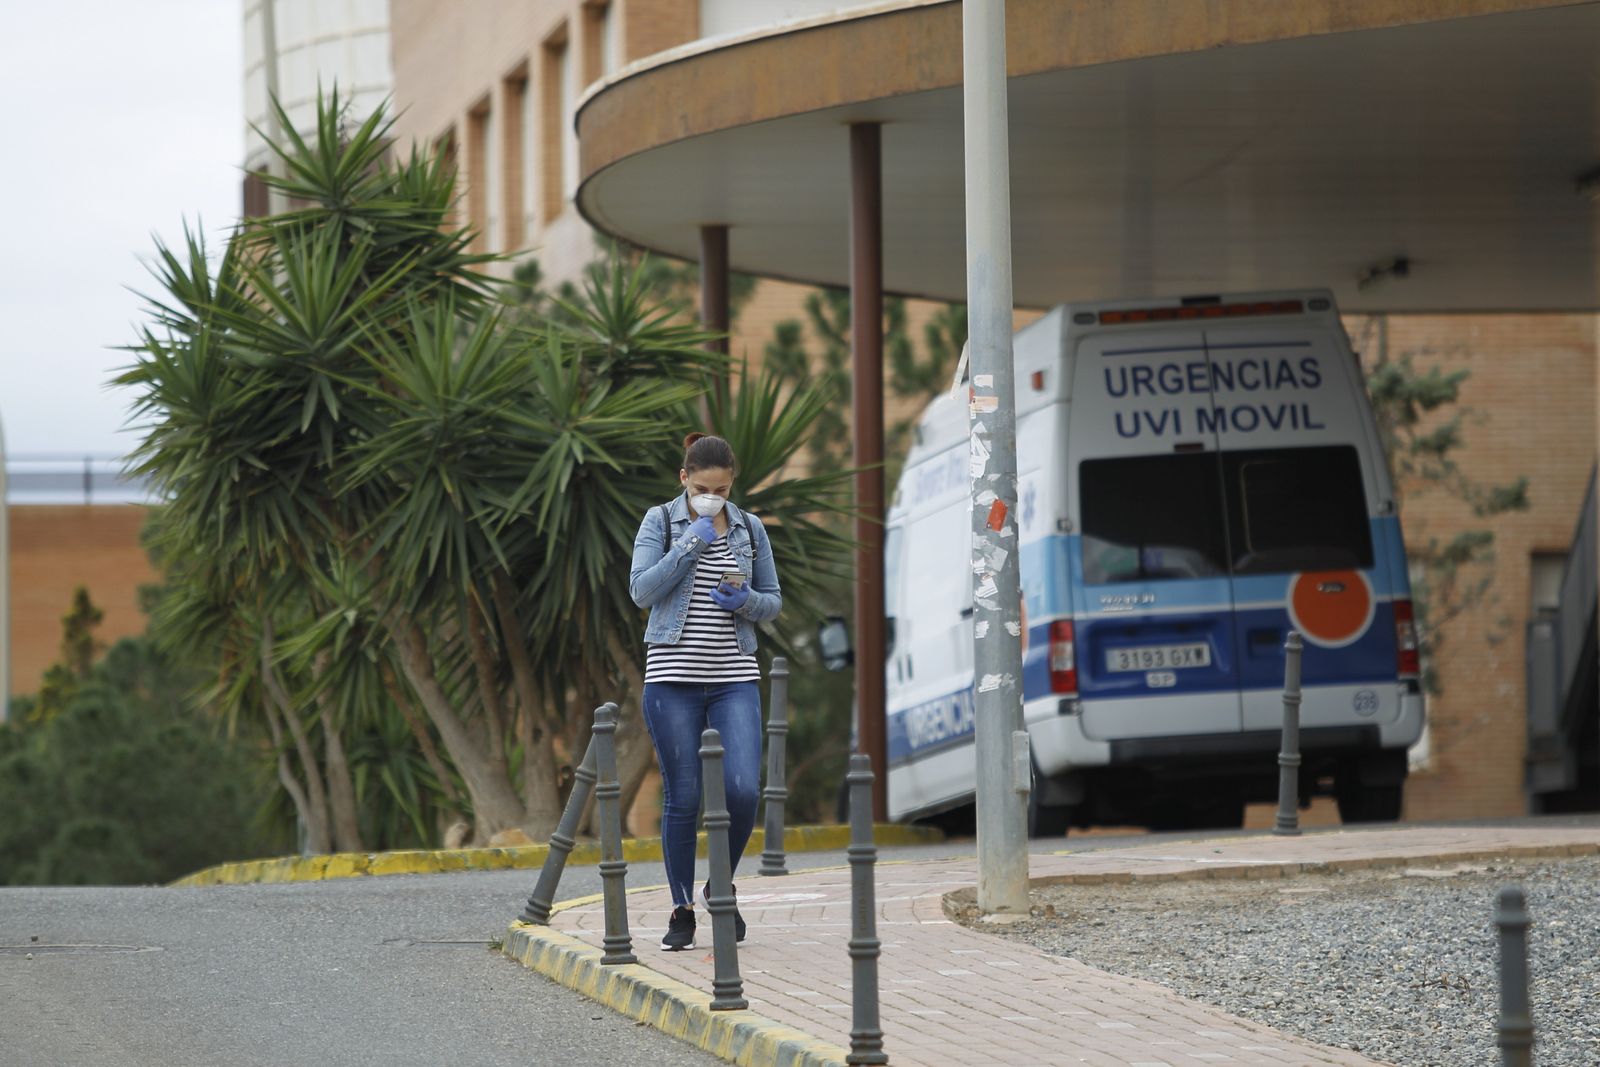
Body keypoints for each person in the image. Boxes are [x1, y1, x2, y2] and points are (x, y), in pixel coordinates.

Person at [628, 432, 783, 951]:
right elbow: (642, 591)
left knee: (742, 789)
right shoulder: (660, 521)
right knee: (685, 795)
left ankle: (721, 885)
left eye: (720, 488)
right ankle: (681, 909)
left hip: (733, 676)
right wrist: (692, 540)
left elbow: (772, 602)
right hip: (672, 678)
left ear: (732, 481)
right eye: (701, 488)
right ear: (684, 480)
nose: (712, 497)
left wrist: (744, 601)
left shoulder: (750, 528)